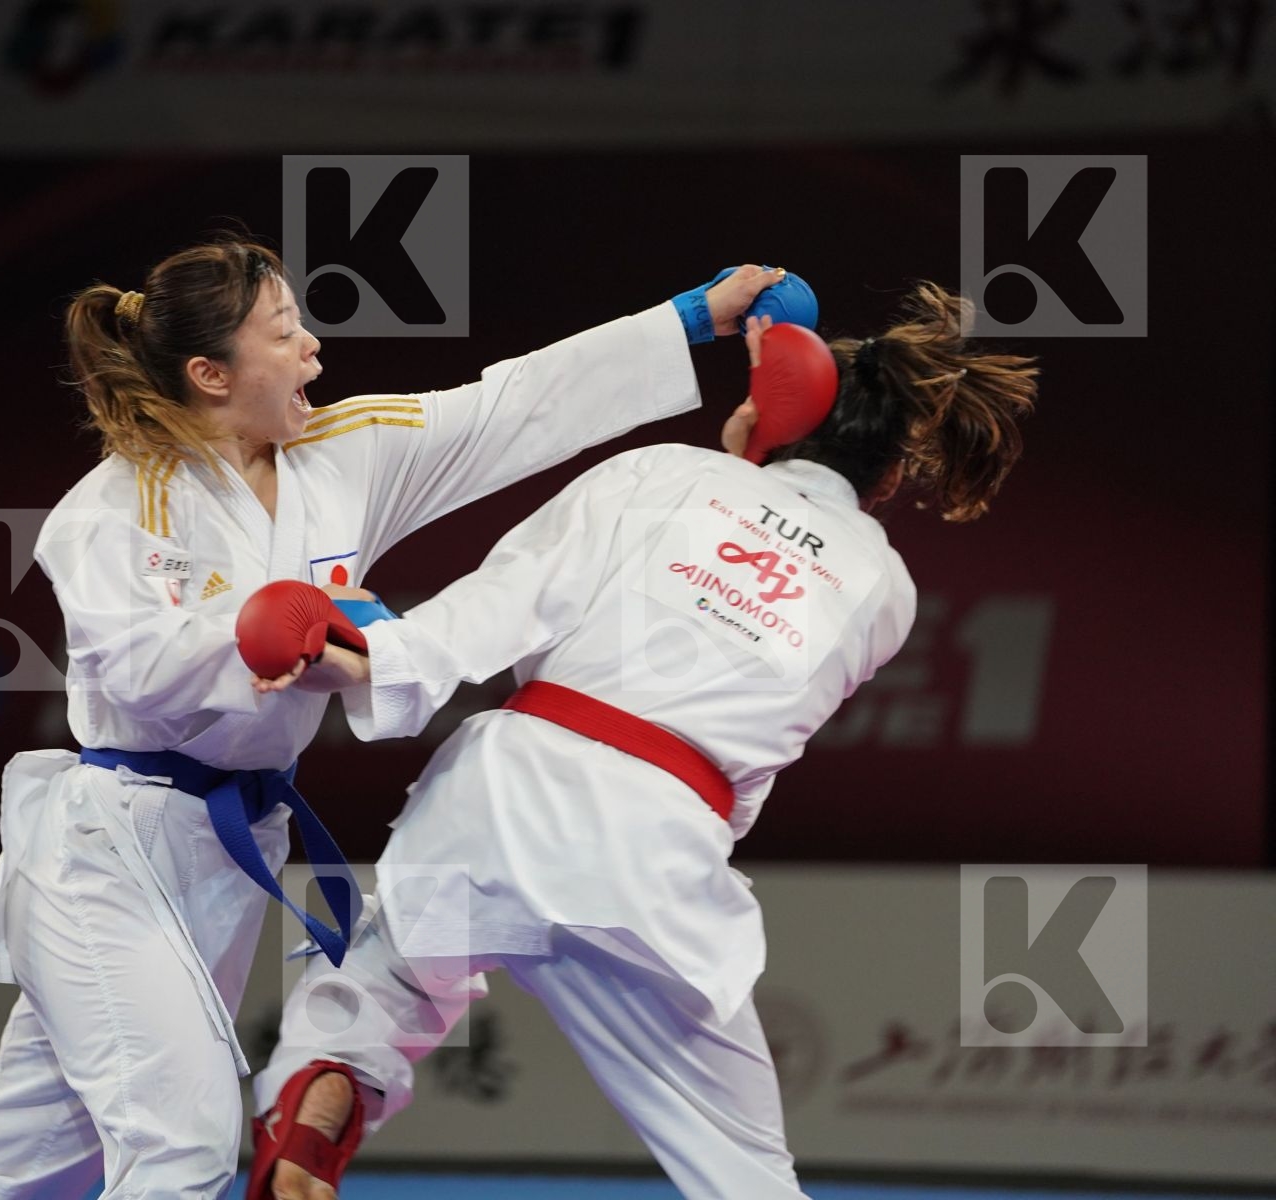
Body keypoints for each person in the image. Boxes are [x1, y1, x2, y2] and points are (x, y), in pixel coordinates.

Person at [0, 236, 789, 1199]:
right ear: (211, 374)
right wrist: (266, 634)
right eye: (285, 332)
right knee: (182, 1145)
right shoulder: (118, 505)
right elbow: (137, 666)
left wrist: (688, 322)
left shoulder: (341, 453)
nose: (315, 348)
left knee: (25, 1158)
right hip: (113, 847)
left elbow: (507, 407)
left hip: (231, 844)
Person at [246, 284, 1038, 1200]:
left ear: (775, 410)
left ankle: (318, 1098)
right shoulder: (882, 588)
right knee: (744, 1169)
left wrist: (372, 658)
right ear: (891, 476)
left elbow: (507, 603)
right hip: (656, 852)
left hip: (502, 798)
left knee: (384, 987)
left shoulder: (663, 475)